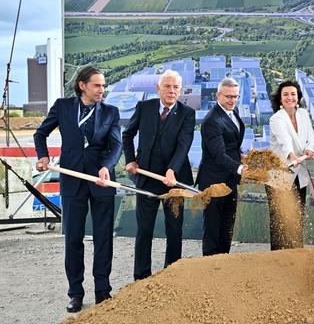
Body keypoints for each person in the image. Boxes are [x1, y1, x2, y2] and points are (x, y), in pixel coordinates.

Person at [34, 66, 122, 313]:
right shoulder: (63, 107)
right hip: (72, 181)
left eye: (103, 85)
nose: (102, 90)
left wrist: (106, 167)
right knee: (73, 238)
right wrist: (43, 156)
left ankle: (102, 290)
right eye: (97, 85)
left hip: (101, 181)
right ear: (82, 86)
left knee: (103, 237)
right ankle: (75, 293)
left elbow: (116, 146)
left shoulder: (110, 112)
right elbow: (40, 133)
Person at [122, 70, 195, 280]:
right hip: (146, 179)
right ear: (158, 89)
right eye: (167, 86)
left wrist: (172, 170)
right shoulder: (144, 107)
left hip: (174, 181)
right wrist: (130, 160)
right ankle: (141, 277)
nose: (171, 91)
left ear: (180, 90)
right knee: (144, 230)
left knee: (174, 230)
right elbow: (127, 135)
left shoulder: (187, 113)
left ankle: (171, 275)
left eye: (175, 87)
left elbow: (184, 145)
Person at [196, 77, 245, 256]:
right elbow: (219, 155)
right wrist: (240, 169)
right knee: (213, 229)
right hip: (213, 182)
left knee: (227, 226)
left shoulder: (233, 111)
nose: (232, 100)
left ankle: (223, 262)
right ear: (218, 95)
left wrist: (241, 157)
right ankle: (210, 265)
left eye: (236, 96)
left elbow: (231, 144)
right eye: (228, 96)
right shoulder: (212, 120)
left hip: (230, 179)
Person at [268, 80, 314, 250]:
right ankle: (278, 256)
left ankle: (296, 253)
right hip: (280, 174)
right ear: (280, 99)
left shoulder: (303, 114)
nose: (290, 98)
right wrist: (291, 154)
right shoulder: (276, 118)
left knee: (297, 216)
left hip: (299, 174)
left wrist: (309, 149)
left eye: (293, 94)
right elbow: (284, 140)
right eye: (285, 94)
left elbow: (311, 138)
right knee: (279, 220)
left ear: (298, 97)